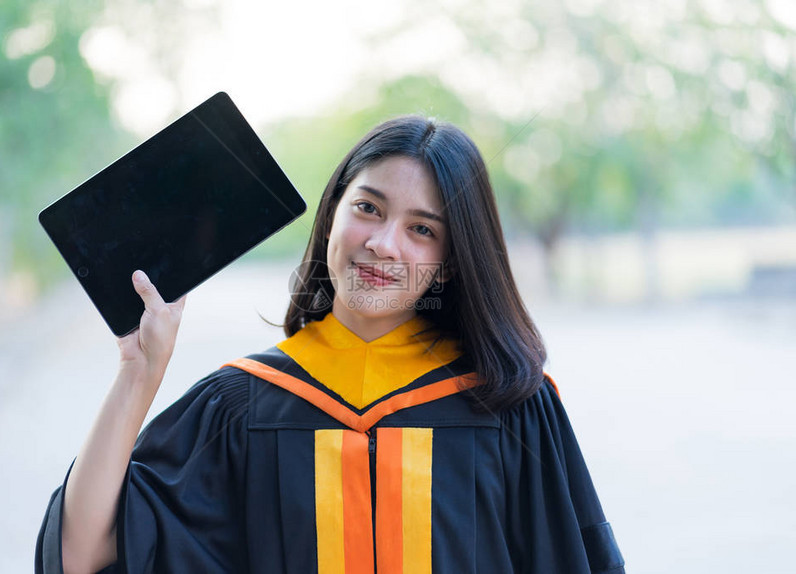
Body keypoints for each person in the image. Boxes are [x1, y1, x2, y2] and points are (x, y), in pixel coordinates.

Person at [35, 116, 625, 574]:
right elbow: (81, 553)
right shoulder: (243, 407)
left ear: (450, 263)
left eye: (423, 229)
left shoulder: (510, 406)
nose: (384, 244)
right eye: (368, 208)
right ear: (333, 216)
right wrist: (138, 375)